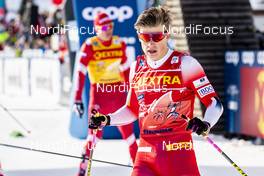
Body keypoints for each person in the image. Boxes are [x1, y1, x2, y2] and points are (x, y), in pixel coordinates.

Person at [88, 7, 224, 176]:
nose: (150, 44)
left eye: (156, 37)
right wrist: (107, 119)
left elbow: (214, 104)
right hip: (145, 158)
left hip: (179, 158)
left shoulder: (186, 64)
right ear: (139, 36)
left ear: (166, 35)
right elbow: (132, 109)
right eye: (145, 37)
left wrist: (206, 123)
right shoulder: (136, 67)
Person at [73, 12, 138, 176]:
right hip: (99, 94)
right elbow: (80, 73)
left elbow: (125, 70)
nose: (107, 30)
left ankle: (139, 167)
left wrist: (133, 93)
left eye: (110, 26)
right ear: (96, 28)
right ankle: (83, 167)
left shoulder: (119, 43)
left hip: (117, 94)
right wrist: (77, 99)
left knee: (129, 133)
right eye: (103, 27)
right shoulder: (90, 45)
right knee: (94, 135)